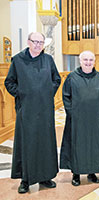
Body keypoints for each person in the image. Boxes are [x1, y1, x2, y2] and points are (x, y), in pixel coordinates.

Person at [4, 32, 61, 193]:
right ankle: (25, 179)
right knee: (27, 143)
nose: (38, 45)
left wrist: (48, 92)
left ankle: (46, 177)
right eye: (35, 41)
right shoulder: (18, 60)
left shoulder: (48, 60)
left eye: (41, 42)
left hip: (44, 109)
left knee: (45, 142)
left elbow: (56, 79)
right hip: (27, 109)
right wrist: (21, 94)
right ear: (28, 42)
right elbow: (9, 82)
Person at [60, 51, 99, 186]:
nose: (88, 62)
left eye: (91, 60)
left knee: (94, 146)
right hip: (77, 119)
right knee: (77, 145)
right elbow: (66, 96)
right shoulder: (72, 77)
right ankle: (76, 174)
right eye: (85, 60)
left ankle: (92, 172)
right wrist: (72, 113)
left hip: (95, 119)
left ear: (94, 61)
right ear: (80, 61)